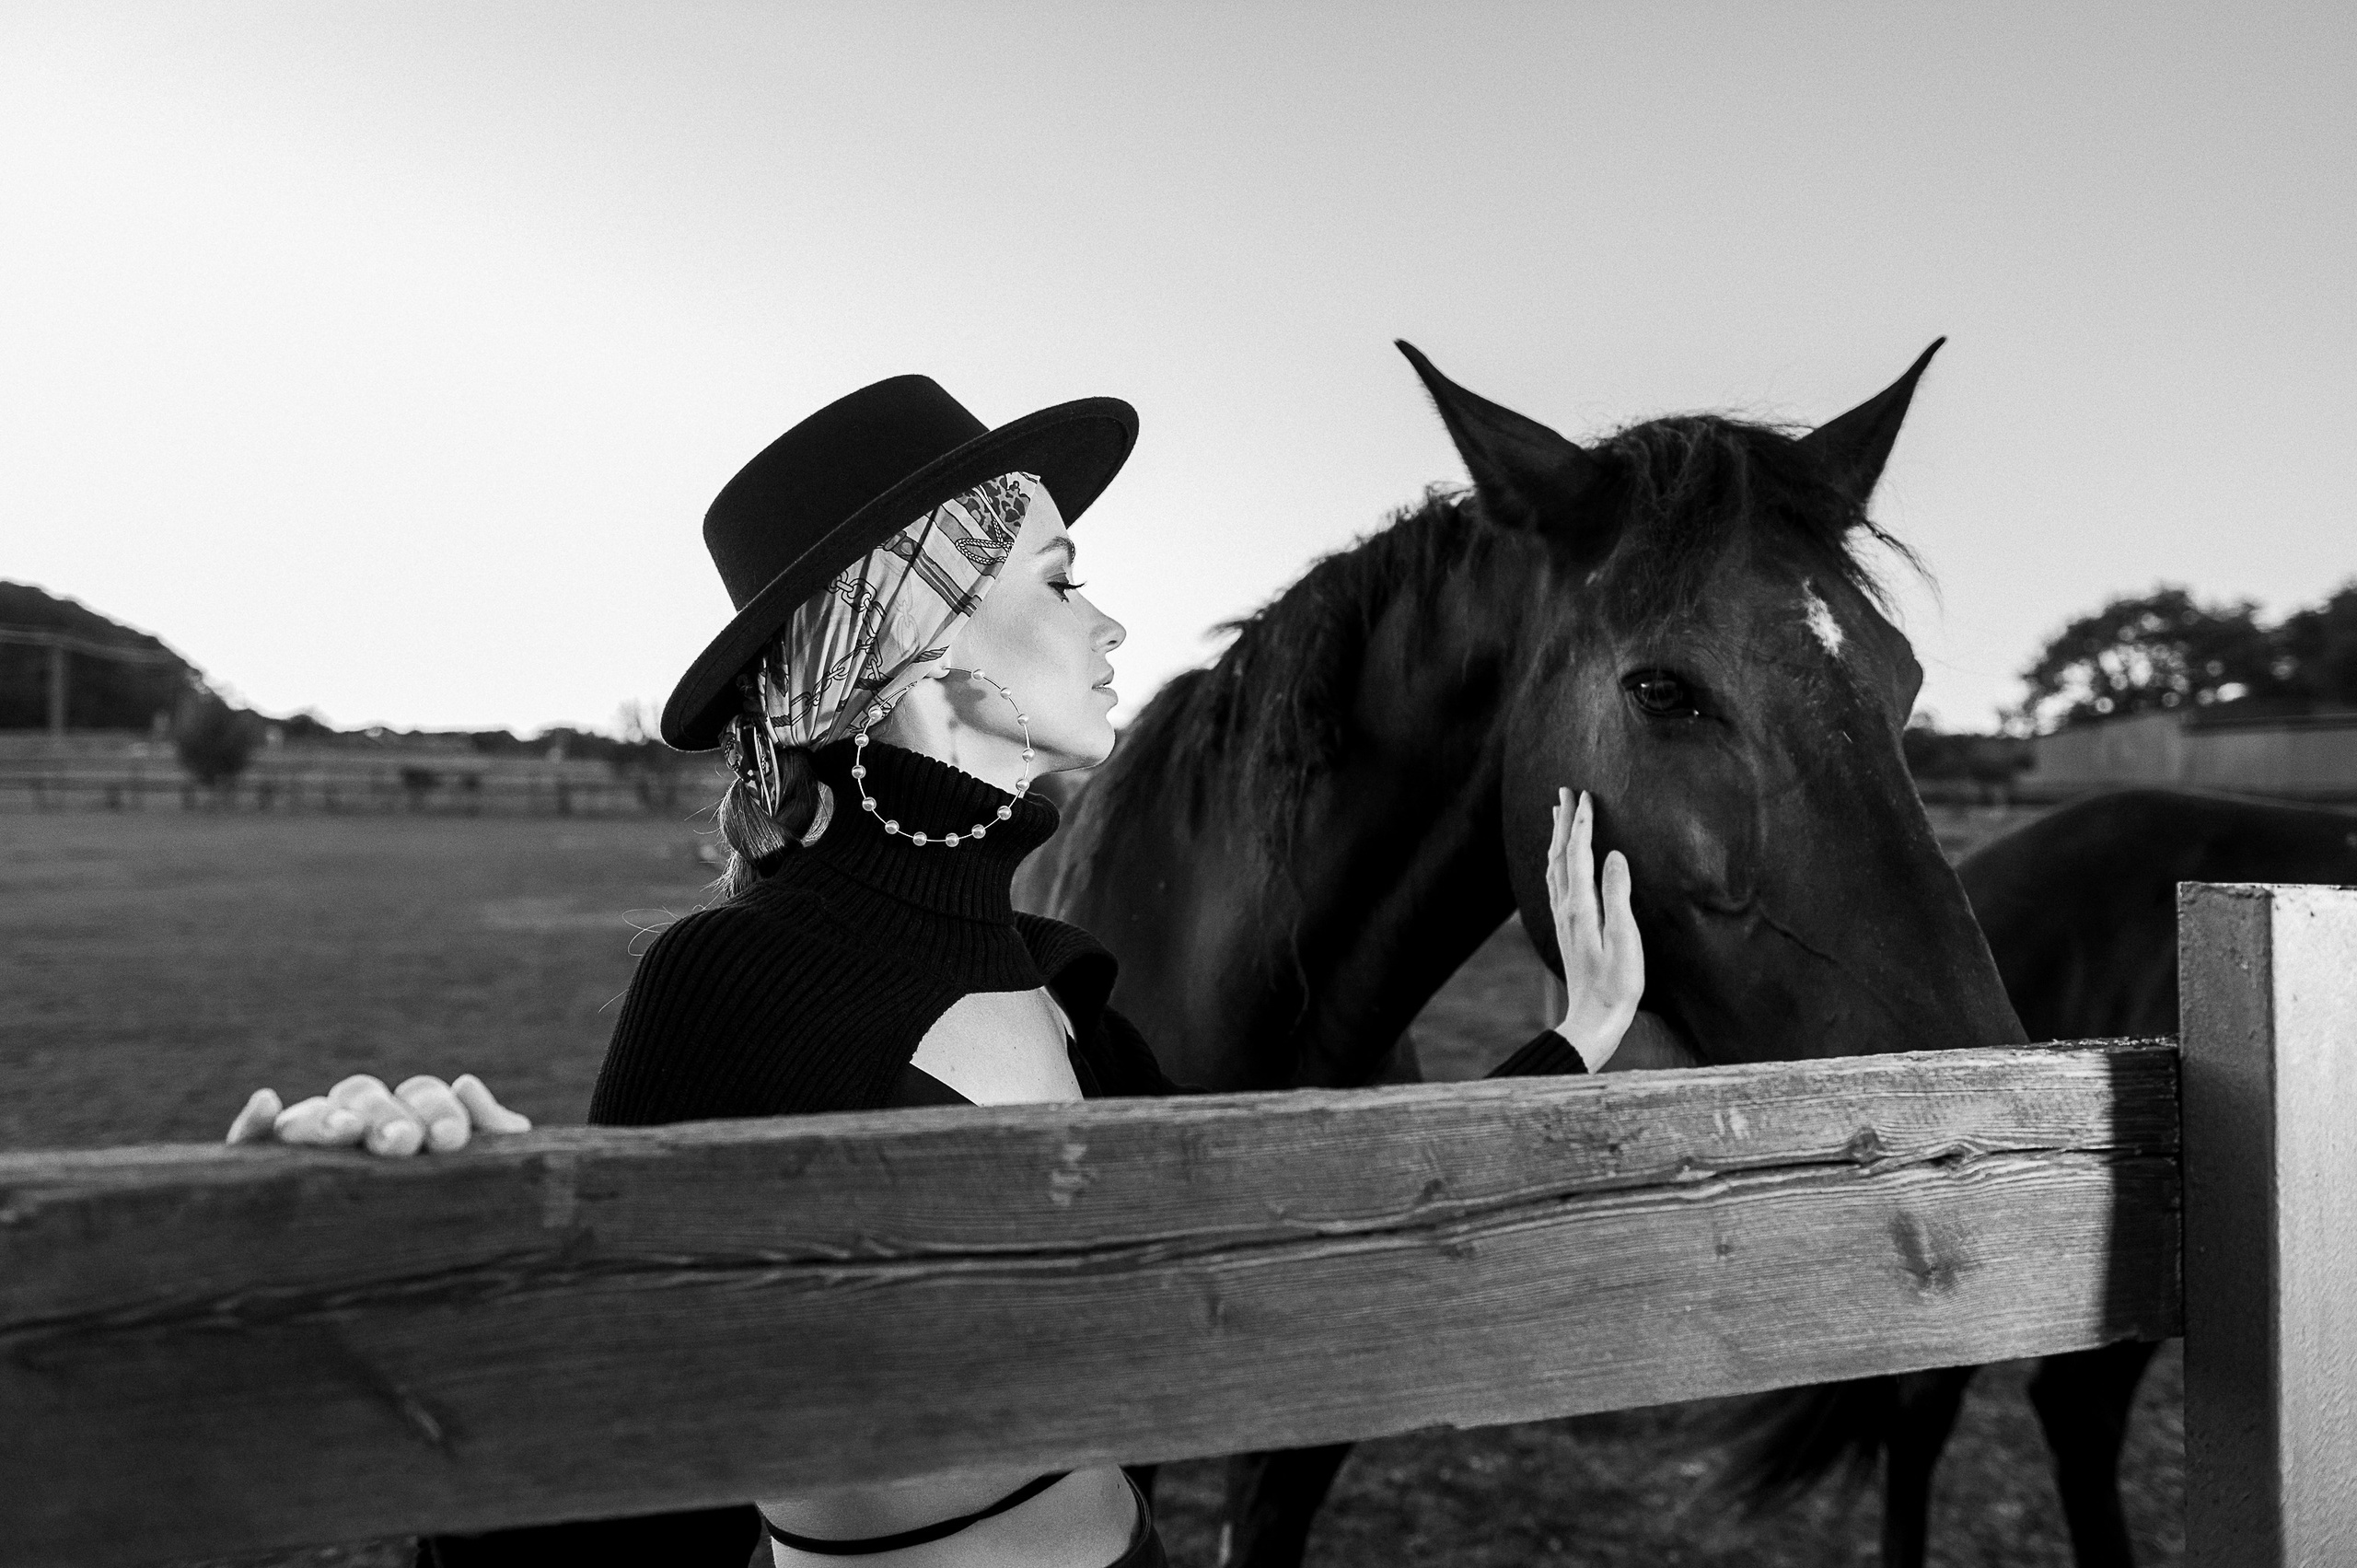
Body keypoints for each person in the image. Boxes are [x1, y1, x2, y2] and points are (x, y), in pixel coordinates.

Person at [227, 373, 1647, 1567]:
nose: (1108, 625)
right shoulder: (740, 980)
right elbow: (601, 1458)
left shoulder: (1061, 985)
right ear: (926, 643)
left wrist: (1573, 1043)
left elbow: (1310, 1211)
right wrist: (377, 1246)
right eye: (1061, 578)